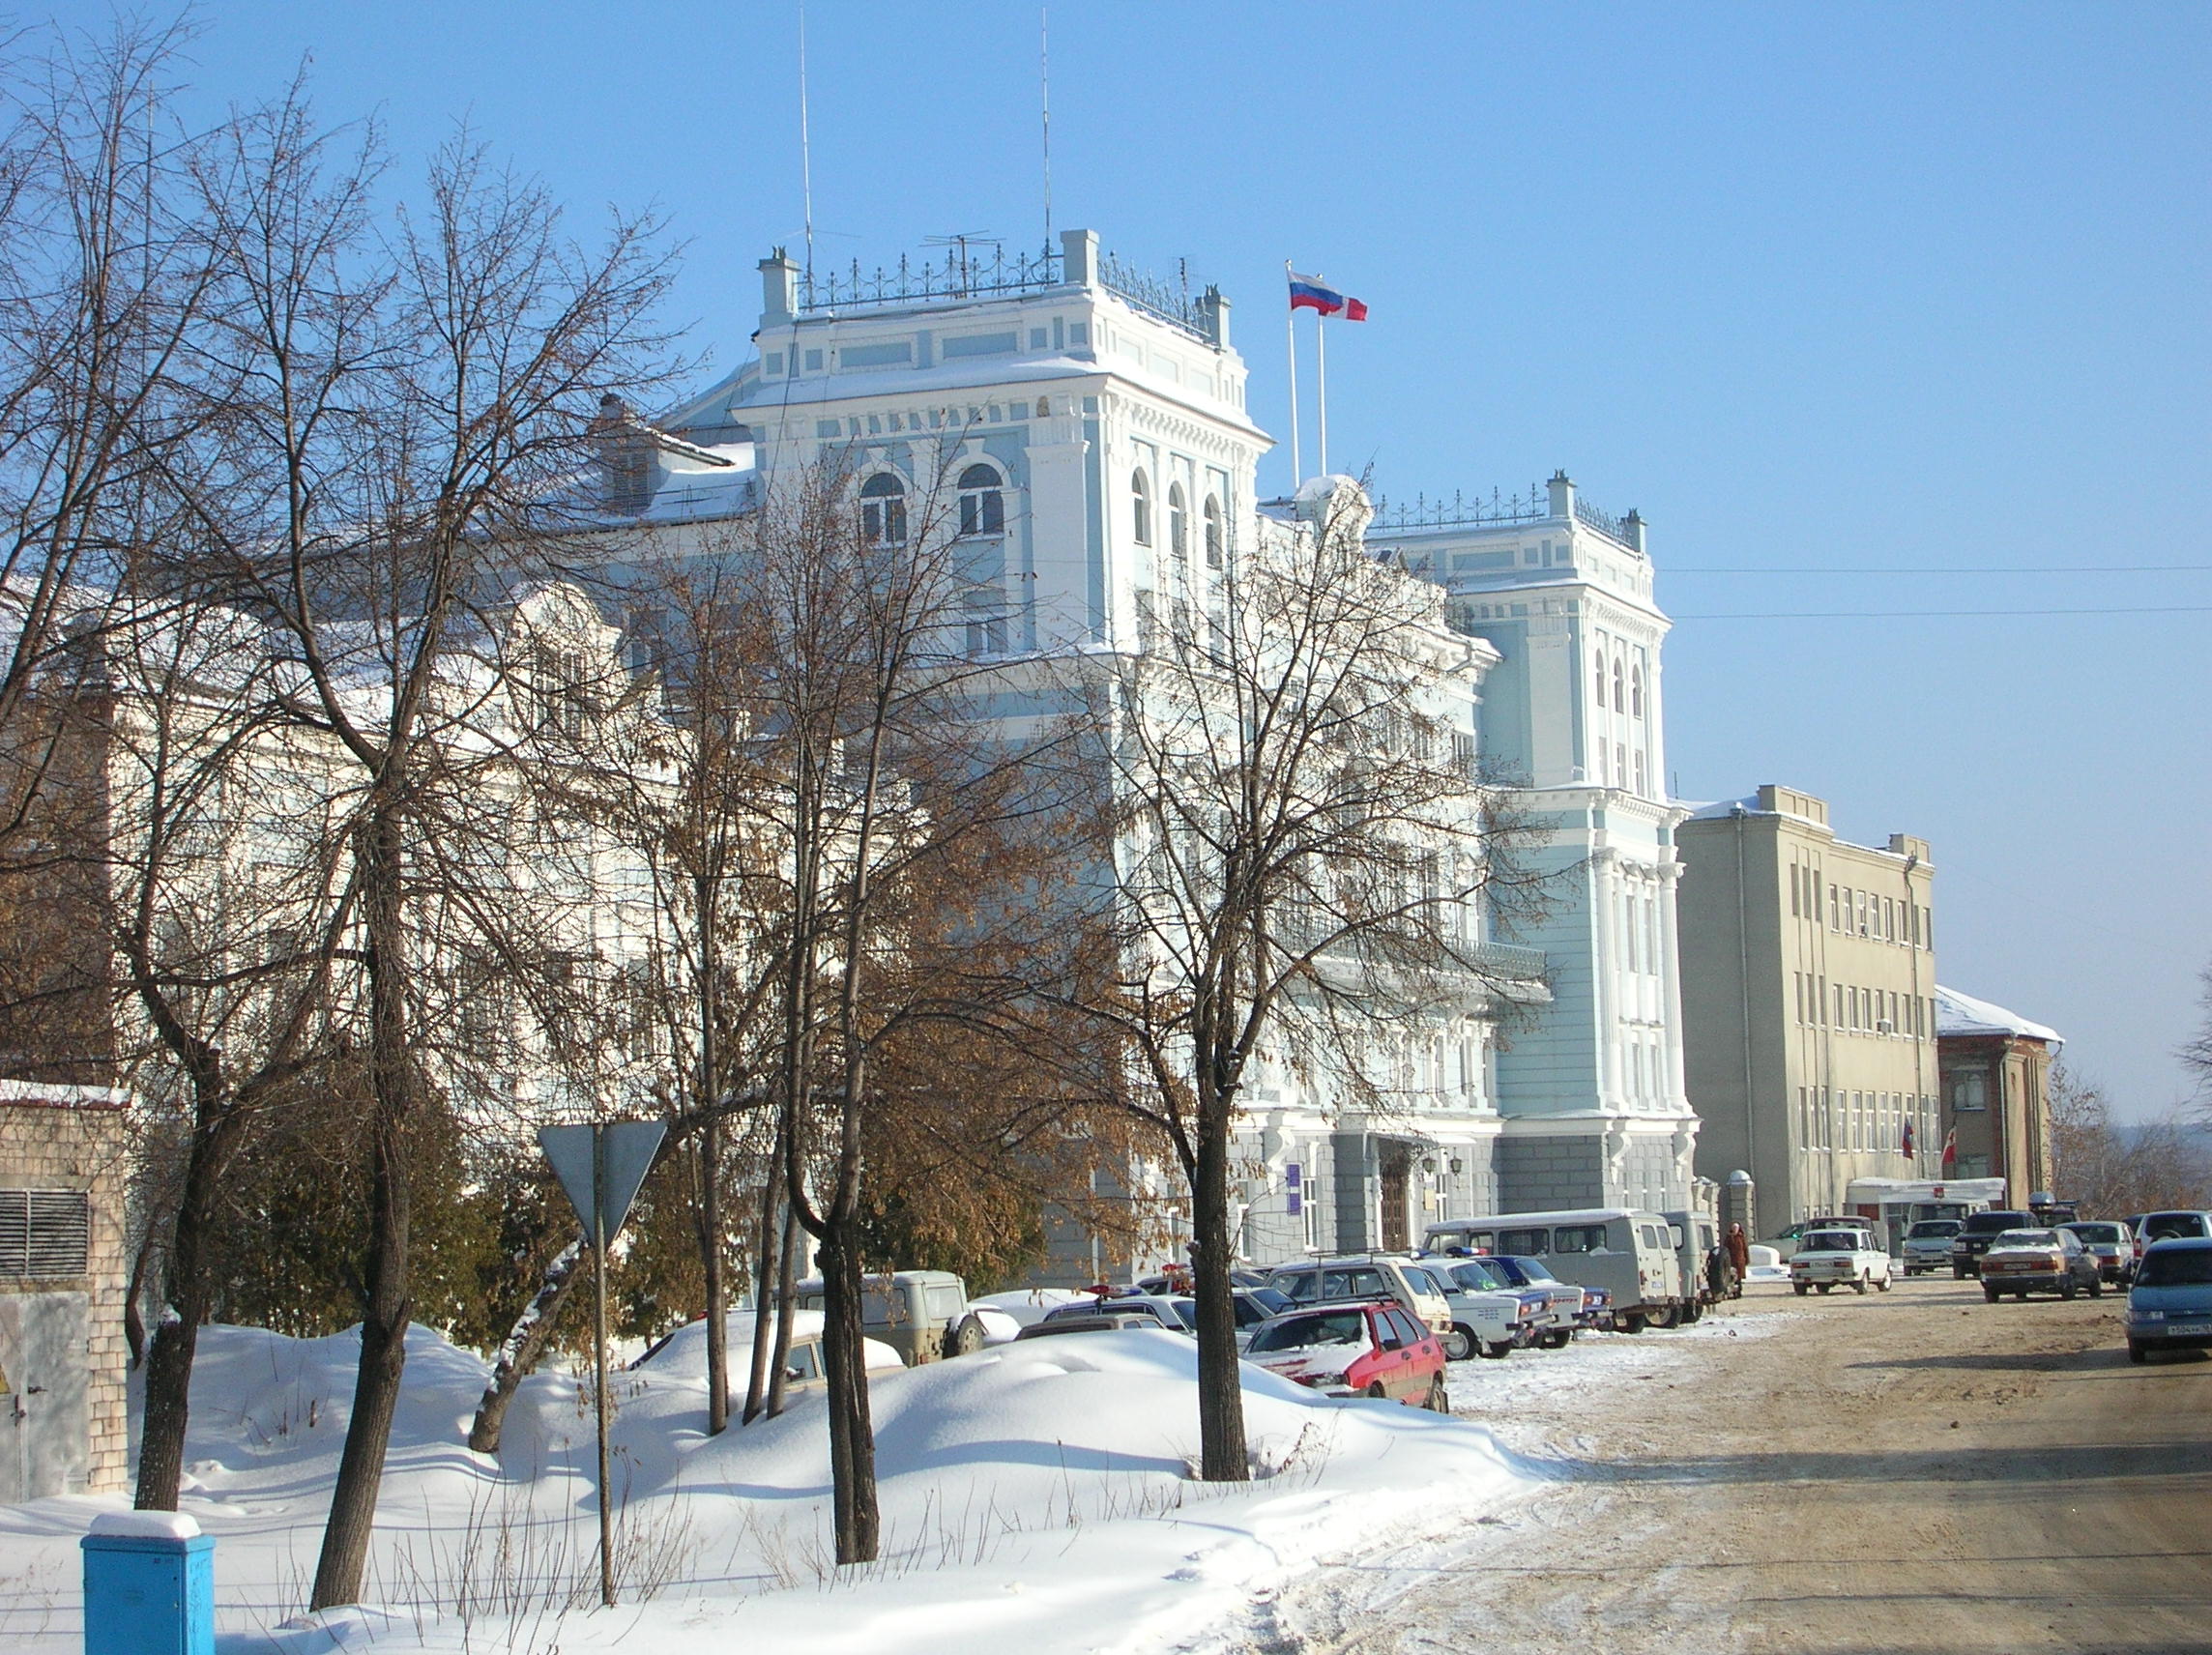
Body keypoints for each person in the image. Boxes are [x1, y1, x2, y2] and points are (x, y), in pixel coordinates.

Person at [1724, 1222, 1751, 1298]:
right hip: (1731, 1261)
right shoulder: (1729, 1238)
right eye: (1734, 1228)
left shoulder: (1741, 1237)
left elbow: (1745, 1249)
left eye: (1736, 1228)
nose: (1735, 1230)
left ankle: (1738, 1292)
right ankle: (1732, 1292)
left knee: (1738, 1278)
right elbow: (1725, 1249)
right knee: (1731, 1278)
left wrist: (1747, 1259)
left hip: (1740, 1261)